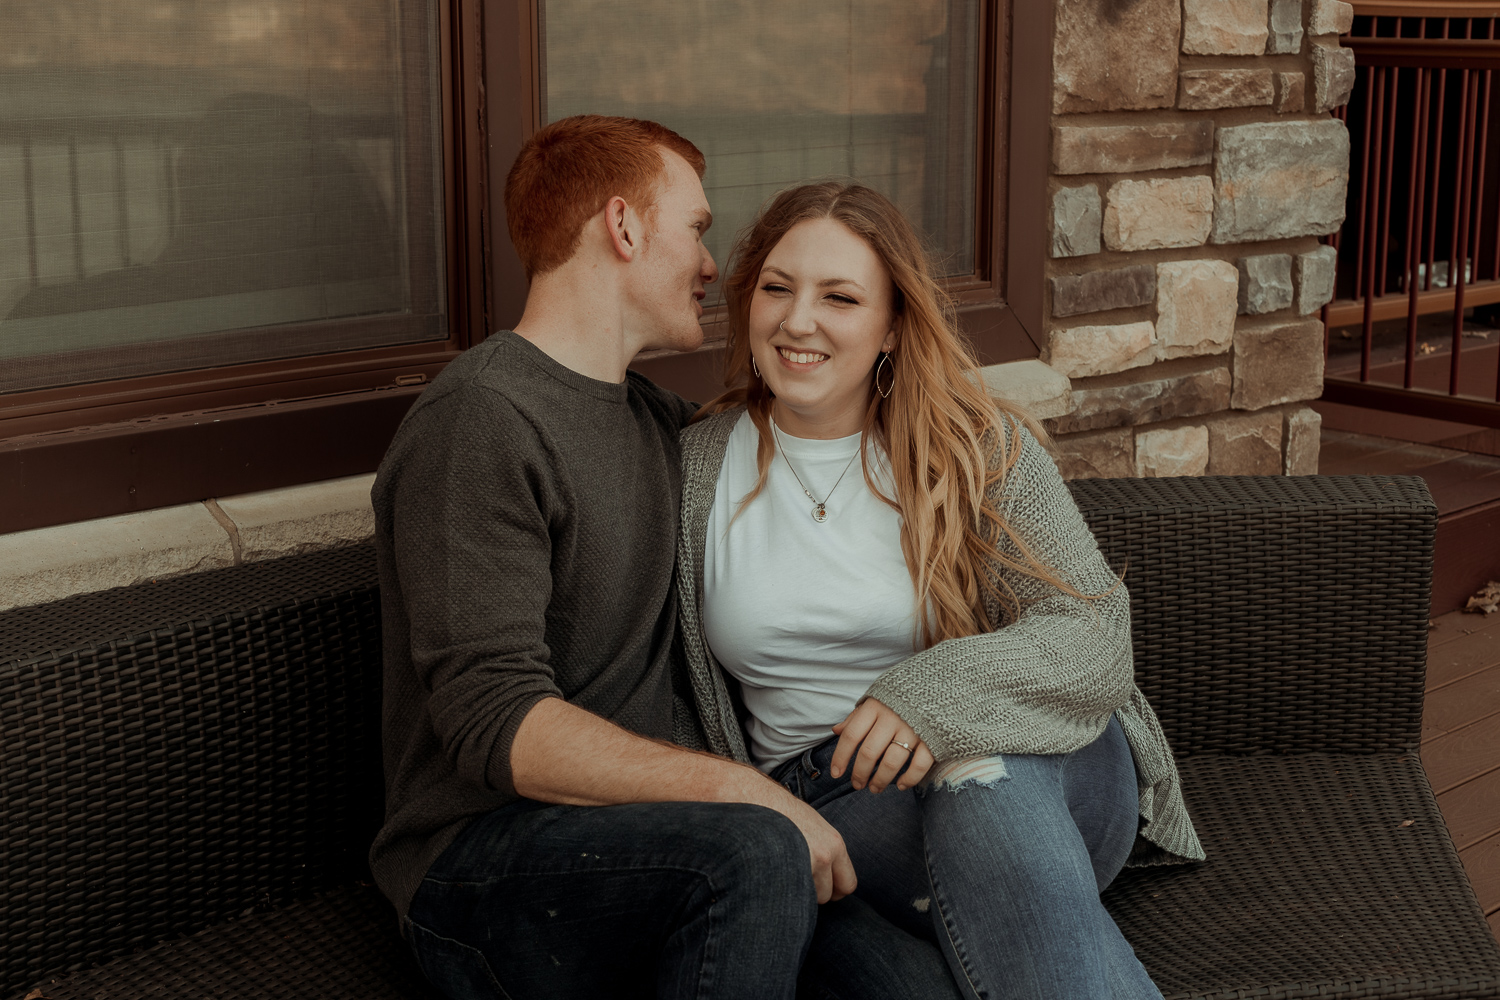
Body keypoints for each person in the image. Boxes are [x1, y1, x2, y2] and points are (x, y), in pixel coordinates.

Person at [368, 116, 865, 1000]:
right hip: (484, 859)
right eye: (699, 230)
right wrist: (744, 794)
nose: (714, 266)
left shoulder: (658, 425)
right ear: (625, 226)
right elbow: (496, 724)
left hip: (670, 842)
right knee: (755, 853)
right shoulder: (480, 420)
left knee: (907, 970)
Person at [674, 182, 1207, 1000]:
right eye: (777, 288)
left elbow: (1096, 631)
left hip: (1052, 765)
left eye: (839, 297)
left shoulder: (974, 447)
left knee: (978, 762)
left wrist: (929, 695)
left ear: (891, 324)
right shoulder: (695, 471)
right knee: (1005, 892)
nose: (797, 320)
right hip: (840, 798)